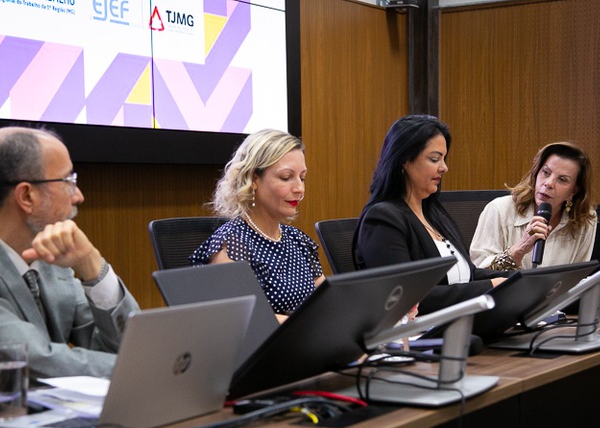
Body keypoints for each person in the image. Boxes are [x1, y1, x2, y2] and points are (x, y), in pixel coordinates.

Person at [0, 126, 140, 421]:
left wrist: (92, 266)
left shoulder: (47, 251)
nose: (79, 196)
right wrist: (145, 367)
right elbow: (32, 358)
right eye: (69, 182)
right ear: (26, 196)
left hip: (42, 425)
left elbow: (121, 345)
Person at [353, 114, 506, 316]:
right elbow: (408, 298)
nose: (444, 168)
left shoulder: (434, 213)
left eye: (444, 159)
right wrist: (489, 287)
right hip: (420, 330)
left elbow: (468, 274)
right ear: (404, 160)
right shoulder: (382, 219)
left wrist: (515, 280)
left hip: (462, 323)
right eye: (434, 159)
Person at [190, 129, 324, 317]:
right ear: (254, 179)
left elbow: (327, 302)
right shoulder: (232, 244)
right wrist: (310, 325)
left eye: (302, 178)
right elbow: (243, 318)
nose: (300, 188)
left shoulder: (299, 240)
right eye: (286, 177)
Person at [470, 142, 597, 270]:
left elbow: (576, 275)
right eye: (546, 172)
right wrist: (518, 251)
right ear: (536, 173)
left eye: (562, 180)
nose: (549, 183)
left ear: (573, 191)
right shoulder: (499, 210)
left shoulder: (585, 221)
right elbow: (478, 274)